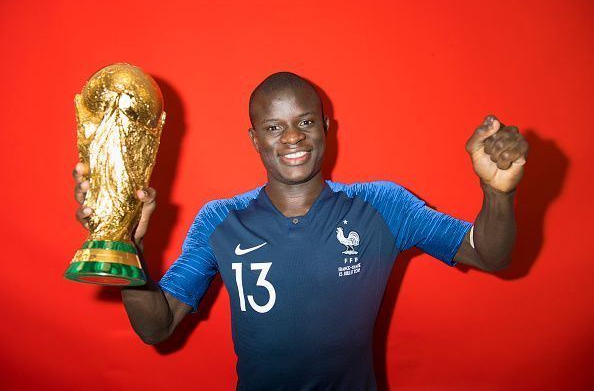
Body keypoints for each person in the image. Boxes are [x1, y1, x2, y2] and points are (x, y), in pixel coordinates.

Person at [73, 72, 528, 390]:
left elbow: (487, 254)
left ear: (326, 129)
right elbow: (157, 326)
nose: (292, 138)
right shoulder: (220, 220)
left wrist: (497, 193)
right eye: (274, 127)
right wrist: (124, 242)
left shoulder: (382, 204)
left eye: (305, 122)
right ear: (255, 139)